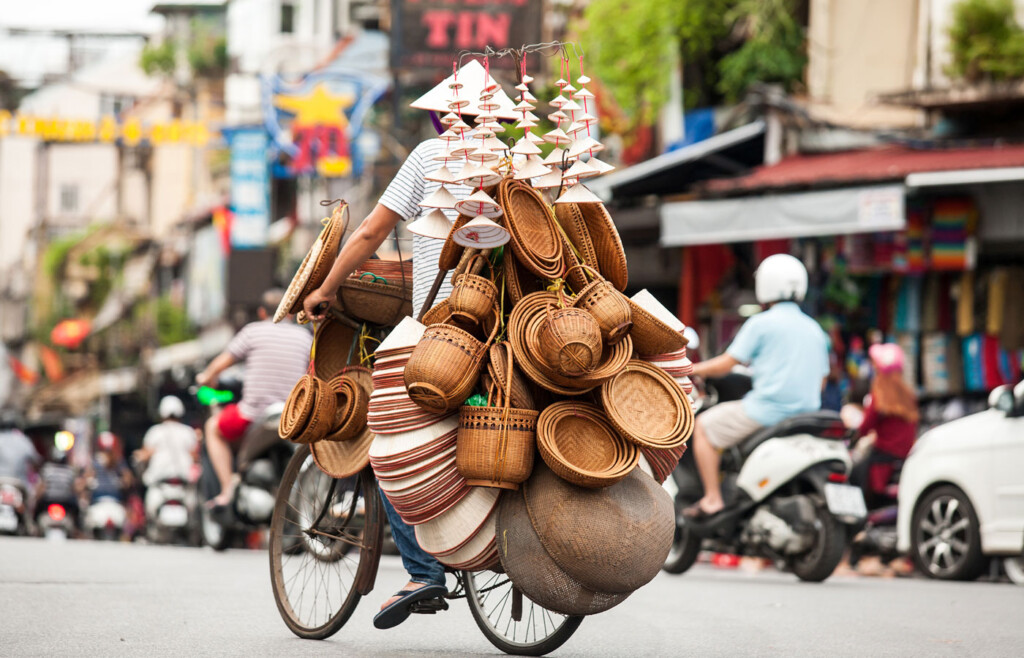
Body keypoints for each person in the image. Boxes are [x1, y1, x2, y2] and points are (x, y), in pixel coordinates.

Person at [302, 60, 516, 629]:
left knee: (386, 438)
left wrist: (325, 288)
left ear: (449, 114)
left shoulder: (430, 157)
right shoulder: (517, 165)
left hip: (440, 333)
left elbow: (373, 230)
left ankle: (423, 572)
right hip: (511, 330)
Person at [687, 254, 830, 518]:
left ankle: (712, 498)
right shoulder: (815, 329)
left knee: (703, 427)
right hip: (807, 414)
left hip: (767, 411)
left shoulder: (761, 323)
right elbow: (821, 381)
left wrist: (691, 369)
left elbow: (725, 365)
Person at [196, 289, 312, 507]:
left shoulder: (253, 331)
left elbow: (220, 364)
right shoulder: (305, 336)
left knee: (213, 427)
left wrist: (206, 378)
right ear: (290, 313)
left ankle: (227, 489)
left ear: (261, 312)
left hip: (254, 416)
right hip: (292, 417)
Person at [850, 344, 918, 508]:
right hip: (904, 457)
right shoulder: (908, 394)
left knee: (853, 473)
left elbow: (864, 427)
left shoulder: (879, 394)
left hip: (882, 462)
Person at [134, 396, 198, 517]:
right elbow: (195, 456)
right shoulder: (189, 432)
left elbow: (145, 455)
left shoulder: (155, 432)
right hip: (184, 484)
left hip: (160, 484)